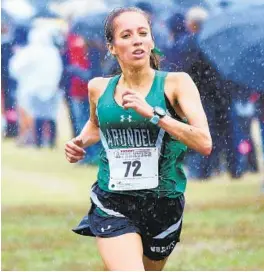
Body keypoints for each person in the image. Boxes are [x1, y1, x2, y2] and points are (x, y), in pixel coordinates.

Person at [65, 7, 212, 271]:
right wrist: (79, 142)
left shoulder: (177, 84)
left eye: (143, 33)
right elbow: (95, 126)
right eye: (127, 35)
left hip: (164, 202)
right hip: (112, 200)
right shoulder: (98, 87)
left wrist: (154, 115)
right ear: (112, 47)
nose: (137, 40)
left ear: (152, 41)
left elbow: (204, 142)